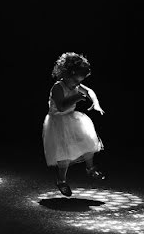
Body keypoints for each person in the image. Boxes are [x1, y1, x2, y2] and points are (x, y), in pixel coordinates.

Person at [42, 52, 106, 197]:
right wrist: (77, 97)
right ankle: (61, 180)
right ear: (69, 75)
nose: (78, 84)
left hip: (72, 119)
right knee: (64, 155)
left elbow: (89, 91)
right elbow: (61, 107)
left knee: (88, 142)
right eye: (77, 80)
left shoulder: (76, 83)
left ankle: (90, 168)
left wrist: (95, 103)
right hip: (58, 122)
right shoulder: (58, 87)